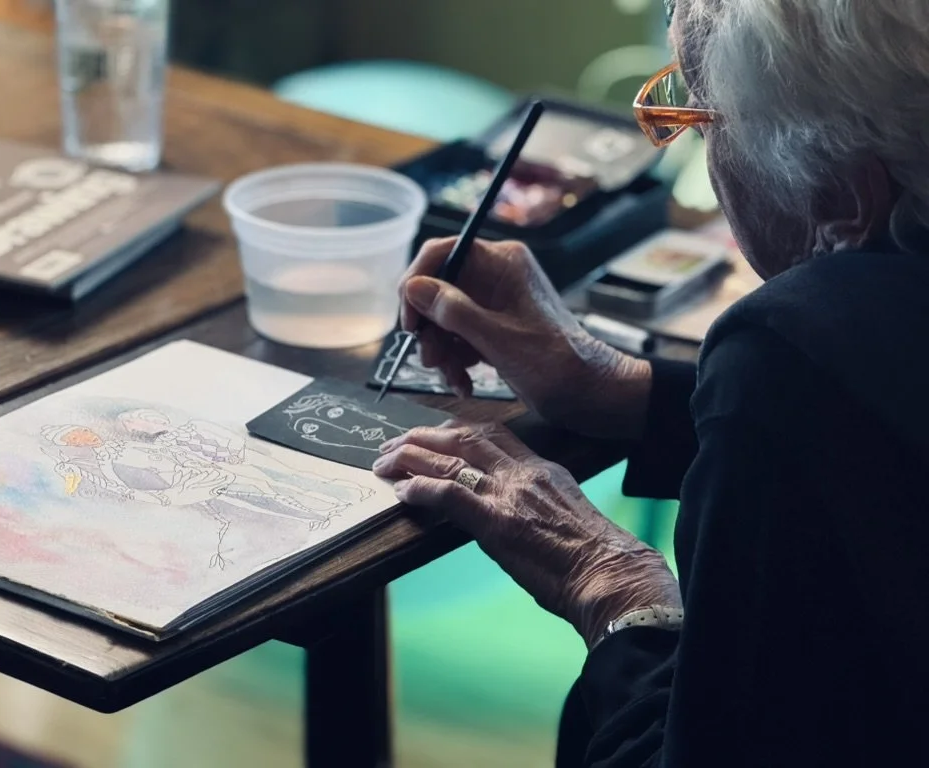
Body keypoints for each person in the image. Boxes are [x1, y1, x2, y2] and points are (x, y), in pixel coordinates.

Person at [372, 0, 929, 765]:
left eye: (703, 122)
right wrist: (624, 389)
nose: (702, 154)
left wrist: (619, 593)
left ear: (843, 201)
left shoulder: (789, 346)